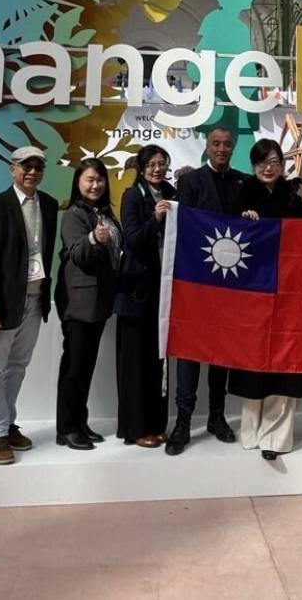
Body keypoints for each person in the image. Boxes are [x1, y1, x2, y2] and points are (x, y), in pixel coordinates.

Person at [165, 126, 247, 455]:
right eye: (216, 144)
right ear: (207, 147)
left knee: (221, 352)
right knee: (189, 352)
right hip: (195, 283)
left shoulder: (244, 183)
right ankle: (183, 421)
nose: (222, 149)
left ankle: (217, 416)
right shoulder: (189, 182)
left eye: (227, 144)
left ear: (233, 147)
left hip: (231, 285)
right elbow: (182, 228)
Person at [0, 146, 58, 466]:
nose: (32, 172)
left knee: (18, 365)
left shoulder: (48, 205)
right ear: (13, 169)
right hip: (4, 301)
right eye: (26, 166)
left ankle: (7, 425)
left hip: (36, 297)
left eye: (38, 166)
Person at [230, 139, 302, 460]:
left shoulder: (293, 194)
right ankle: (251, 432)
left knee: (285, 363)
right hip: (252, 294)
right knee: (254, 363)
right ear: (253, 164)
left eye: (274, 160)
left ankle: (276, 438)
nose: (268, 167)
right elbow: (226, 240)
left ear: (282, 163)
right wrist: (241, 221)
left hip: (288, 292)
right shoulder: (242, 192)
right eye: (262, 161)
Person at [55, 158, 121, 451]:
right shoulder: (74, 215)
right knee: (74, 367)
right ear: (79, 183)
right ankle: (67, 428)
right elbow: (78, 253)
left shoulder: (103, 211)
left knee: (85, 366)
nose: (95, 185)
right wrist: (94, 238)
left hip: (98, 301)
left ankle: (79, 422)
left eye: (100, 180)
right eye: (89, 180)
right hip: (79, 302)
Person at [117, 144, 175, 447]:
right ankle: (137, 428)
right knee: (136, 365)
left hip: (164, 293)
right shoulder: (132, 196)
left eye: (161, 163)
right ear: (141, 168)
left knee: (158, 363)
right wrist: (155, 219)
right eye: (151, 164)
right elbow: (133, 240)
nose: (157, 169)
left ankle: (156, 423)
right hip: (137, 295)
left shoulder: (171, 193)